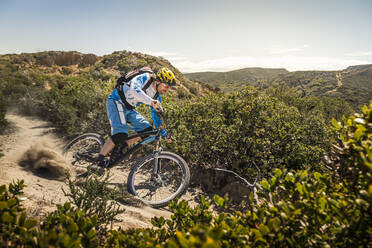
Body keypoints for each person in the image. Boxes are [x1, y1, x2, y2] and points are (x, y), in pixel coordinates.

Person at [92, 67, 176, 170]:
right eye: (166, 86)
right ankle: (97, 162)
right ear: (158, 81)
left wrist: (163, 133)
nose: (167, 89)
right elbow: (134, 89)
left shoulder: (157, 96)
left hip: (129, 109)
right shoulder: (145, 78)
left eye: (169, 88)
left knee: (147, 131)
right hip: (116, 101)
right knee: (120, 133)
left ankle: (122, 146)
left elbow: (156, 116)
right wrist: (151, 102)